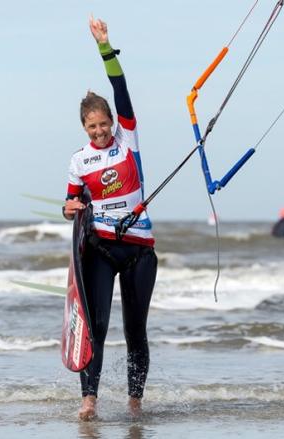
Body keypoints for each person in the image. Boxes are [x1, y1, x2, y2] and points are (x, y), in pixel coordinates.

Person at [63, 16, 158, 420]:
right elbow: (70, 203)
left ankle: (135, 401)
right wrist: (68, 207)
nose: (100, 130)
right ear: (84, 127)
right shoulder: (78, 161)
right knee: (95, 327)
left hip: (139, 251)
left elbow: (121, 89)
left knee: (135, 329)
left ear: (113, 123)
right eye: (92, 126)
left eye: (104, 124)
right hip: (100, 249)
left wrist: (106, 46)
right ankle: (90, 400)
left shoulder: (128, 140)